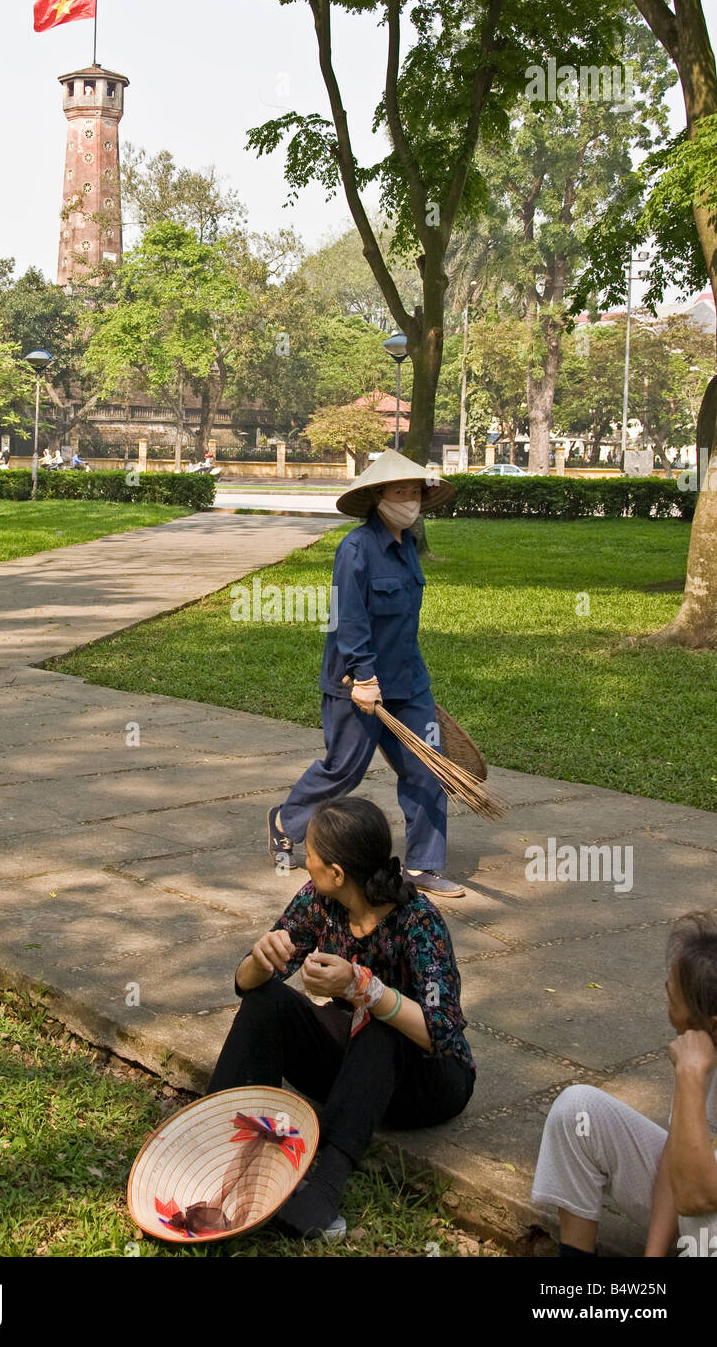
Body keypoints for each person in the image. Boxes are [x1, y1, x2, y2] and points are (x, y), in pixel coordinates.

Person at [207, 795, 475, 1239]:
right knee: (267, 1000)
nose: (303, 859)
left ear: (336, 872)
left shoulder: (419, 921)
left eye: (309, 853)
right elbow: (246, 984)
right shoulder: (319, 901)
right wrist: (259, 958)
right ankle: (217, 1136)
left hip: (429, 1080)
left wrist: (363, 988)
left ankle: (321, 1189)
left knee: (379, 1024)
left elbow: (439, 1032)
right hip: (355, 1075)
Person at [267, 448, 464, 899]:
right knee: (343, 771)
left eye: (415, 492)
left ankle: (422, 866)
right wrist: (363, 677)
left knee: (427, 768)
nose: (410, 500)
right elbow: (348, 618)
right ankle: (284, 820)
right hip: (356, 683)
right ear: (378, 496)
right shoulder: (355, 549)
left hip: (408, 682)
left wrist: (416, 682)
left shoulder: (408, 546)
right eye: (401, 492)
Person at [531, 911, 717, 1257]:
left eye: (673, 994)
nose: (666, 994)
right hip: (697, 1208)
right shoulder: (698, 1045)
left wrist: (690, 1078)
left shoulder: (694, 1062)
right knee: (578, 1111)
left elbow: (697, 1196)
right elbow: (674, 1160)